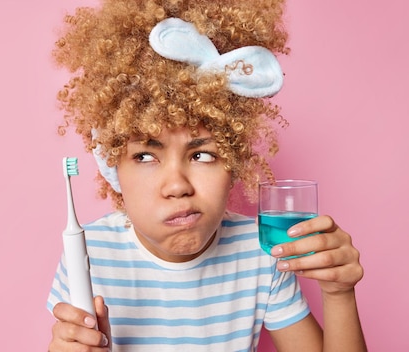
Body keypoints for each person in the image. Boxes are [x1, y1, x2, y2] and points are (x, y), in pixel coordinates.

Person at [46, 0, 366, 351]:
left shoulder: (261, 253)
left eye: (201, 154)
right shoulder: (88, 253)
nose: (178, 186)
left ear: (233, 162)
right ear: (113, 169)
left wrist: (339, 293)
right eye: (145, 156)